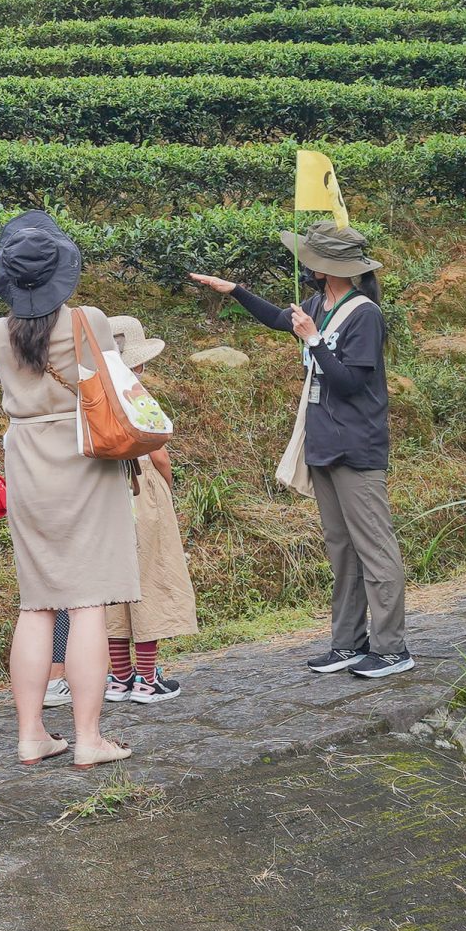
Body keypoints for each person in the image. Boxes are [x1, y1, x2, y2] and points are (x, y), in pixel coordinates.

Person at [189, 223, 411, 679]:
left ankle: (391, 646)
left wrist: (313, 340)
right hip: (323, 444)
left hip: (356, 446)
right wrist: (235, 291)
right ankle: (348, 642)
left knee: (374, 548)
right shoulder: (319, 304)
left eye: (310, 259)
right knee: (341, 549)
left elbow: (351, 382)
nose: (304, 265)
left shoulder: (364, 314)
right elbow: (278, 318)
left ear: (327, 267)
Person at [0, 211, 137, 768]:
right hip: (84, 456)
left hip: (27, 462)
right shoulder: (88, 320)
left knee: (37, 603)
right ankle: (89, 738)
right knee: (88, 599)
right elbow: (120, 390)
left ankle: (30, 734)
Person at [98, 315, 196, 702]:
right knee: (149, 580)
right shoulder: (133, 393)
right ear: (134, 361)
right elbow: (160, 454)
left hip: (104, 491)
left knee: (113, 588)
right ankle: (147, 678)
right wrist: (167, 492)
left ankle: (119, 678)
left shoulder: (90, 392)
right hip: (141, 486)